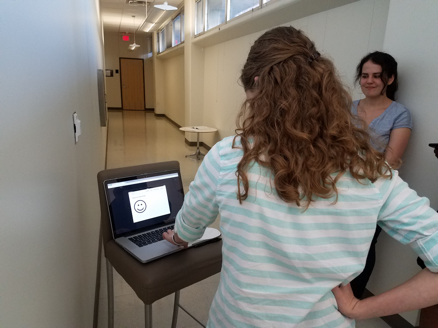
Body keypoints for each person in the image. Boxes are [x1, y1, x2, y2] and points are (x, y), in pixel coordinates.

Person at [163, 26, 438, 327]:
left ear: (257, 84)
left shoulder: (226, 157)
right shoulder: (370, 172)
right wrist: (359, 308)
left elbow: (189, 228)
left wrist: (178, 237)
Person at [350, 52, 413, 299]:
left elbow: (391, 162)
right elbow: (329, 148)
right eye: (365, 75)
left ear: (390, 79)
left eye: (377, 76)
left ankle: (352, 301)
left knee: (364, 246)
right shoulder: (347, 109)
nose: (369, 81)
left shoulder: (400, 114)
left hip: (374, 193)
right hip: (335, 187)